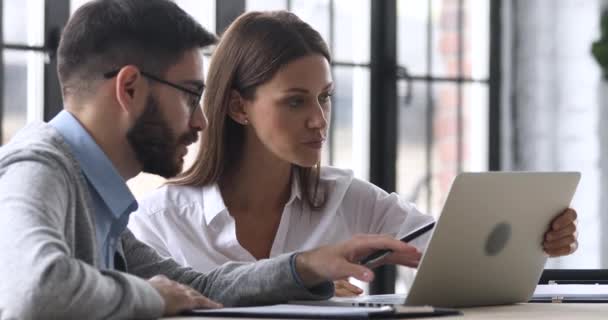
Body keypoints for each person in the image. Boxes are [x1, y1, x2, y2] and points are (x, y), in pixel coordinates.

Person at [0, 1, 426, 319]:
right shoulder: (38, 166)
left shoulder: (95, 194)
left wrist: (307, 265)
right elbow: (35, 291)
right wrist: (151, 296)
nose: (202, 120)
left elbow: (198, 287)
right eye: (189, 95)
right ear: (129, 88)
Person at [128, 10, 579, 298]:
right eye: (295, 101)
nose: (319, 121)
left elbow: (458, 261)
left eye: (324, 98)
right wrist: (304, 288)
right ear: (237, 106)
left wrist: (534, 239)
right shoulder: (158, 220)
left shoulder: (350, 199)